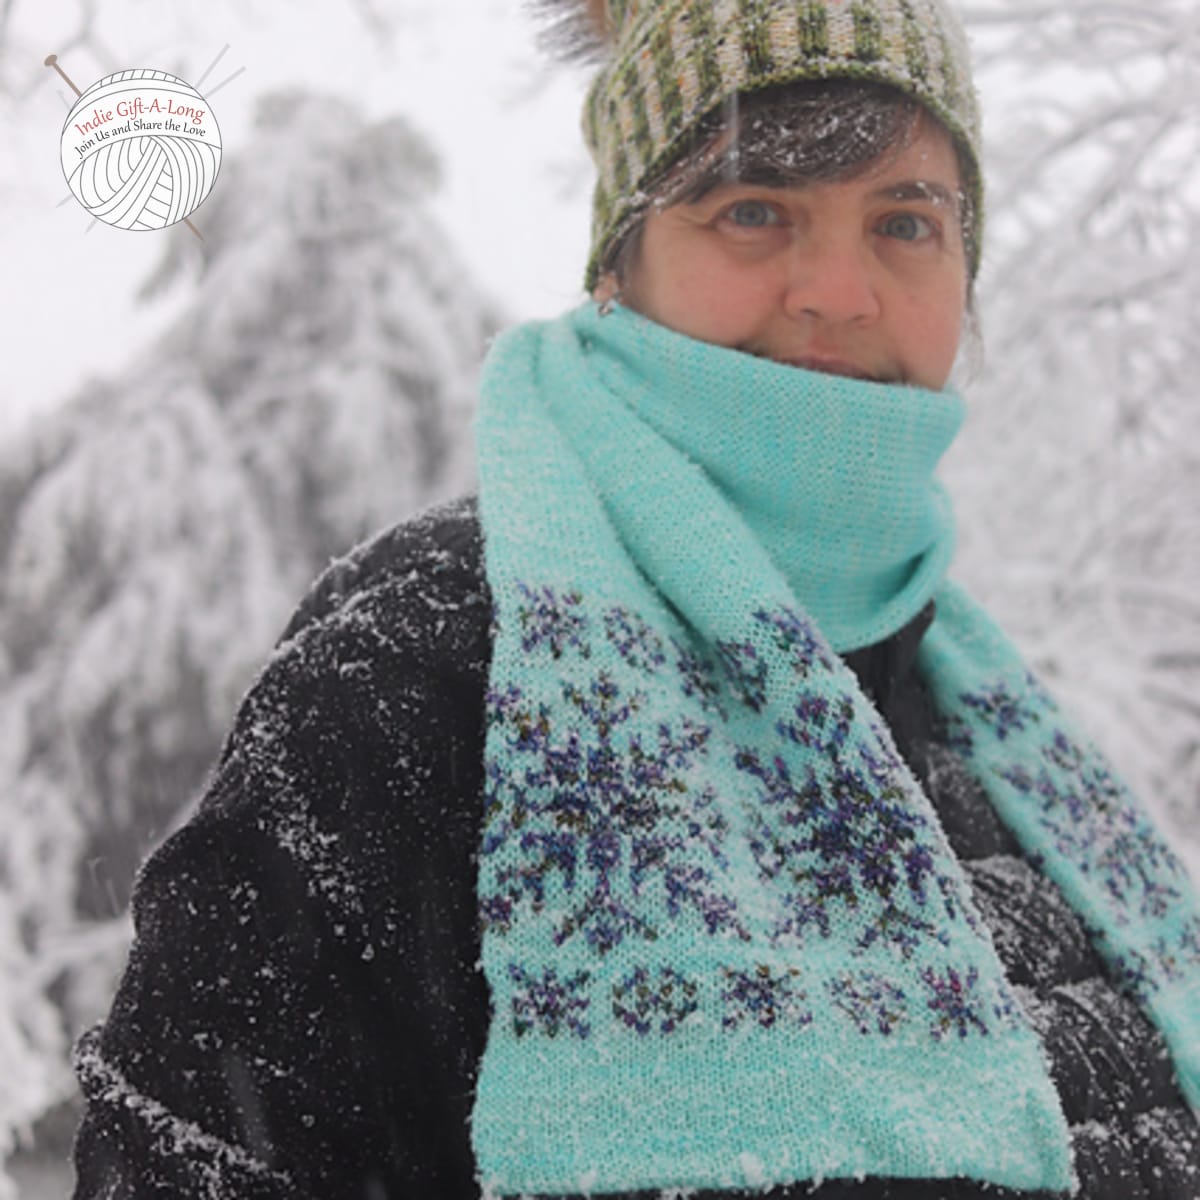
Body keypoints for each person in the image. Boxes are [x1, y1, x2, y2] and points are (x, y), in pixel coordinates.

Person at [71, 1, 1200, 1197]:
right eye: (753, 211)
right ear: (620, 263)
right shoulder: (427, 672)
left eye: (906, 221)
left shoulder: (996, 730)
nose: (837, 288)